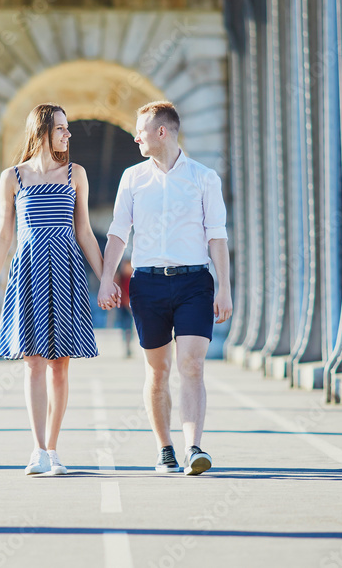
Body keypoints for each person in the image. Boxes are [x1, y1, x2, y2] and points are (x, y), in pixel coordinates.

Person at [97, 101, 231, 476]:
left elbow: (217, 237)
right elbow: (118, 233)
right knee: (157, 372)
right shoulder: (132, 178)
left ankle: (194, 448)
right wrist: (107, 279)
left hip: (194, 283)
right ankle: (165, 449)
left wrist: (224, 289)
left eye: (141, 129)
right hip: (147, 285)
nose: (135, 136)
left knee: (192, 364)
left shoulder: (205, 178)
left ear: (162, 132)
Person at [0, 103, 117, 476]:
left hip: (67, 272)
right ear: (42, 130)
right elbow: (5, 234)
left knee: (60, 367)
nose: (68, 134)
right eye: (61, 128)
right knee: (33, 363)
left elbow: (85, 233)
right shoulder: (12, 178)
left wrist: (106, 277)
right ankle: (37, 450)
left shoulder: (76, 175)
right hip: (27, 272)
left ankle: (54, 450)